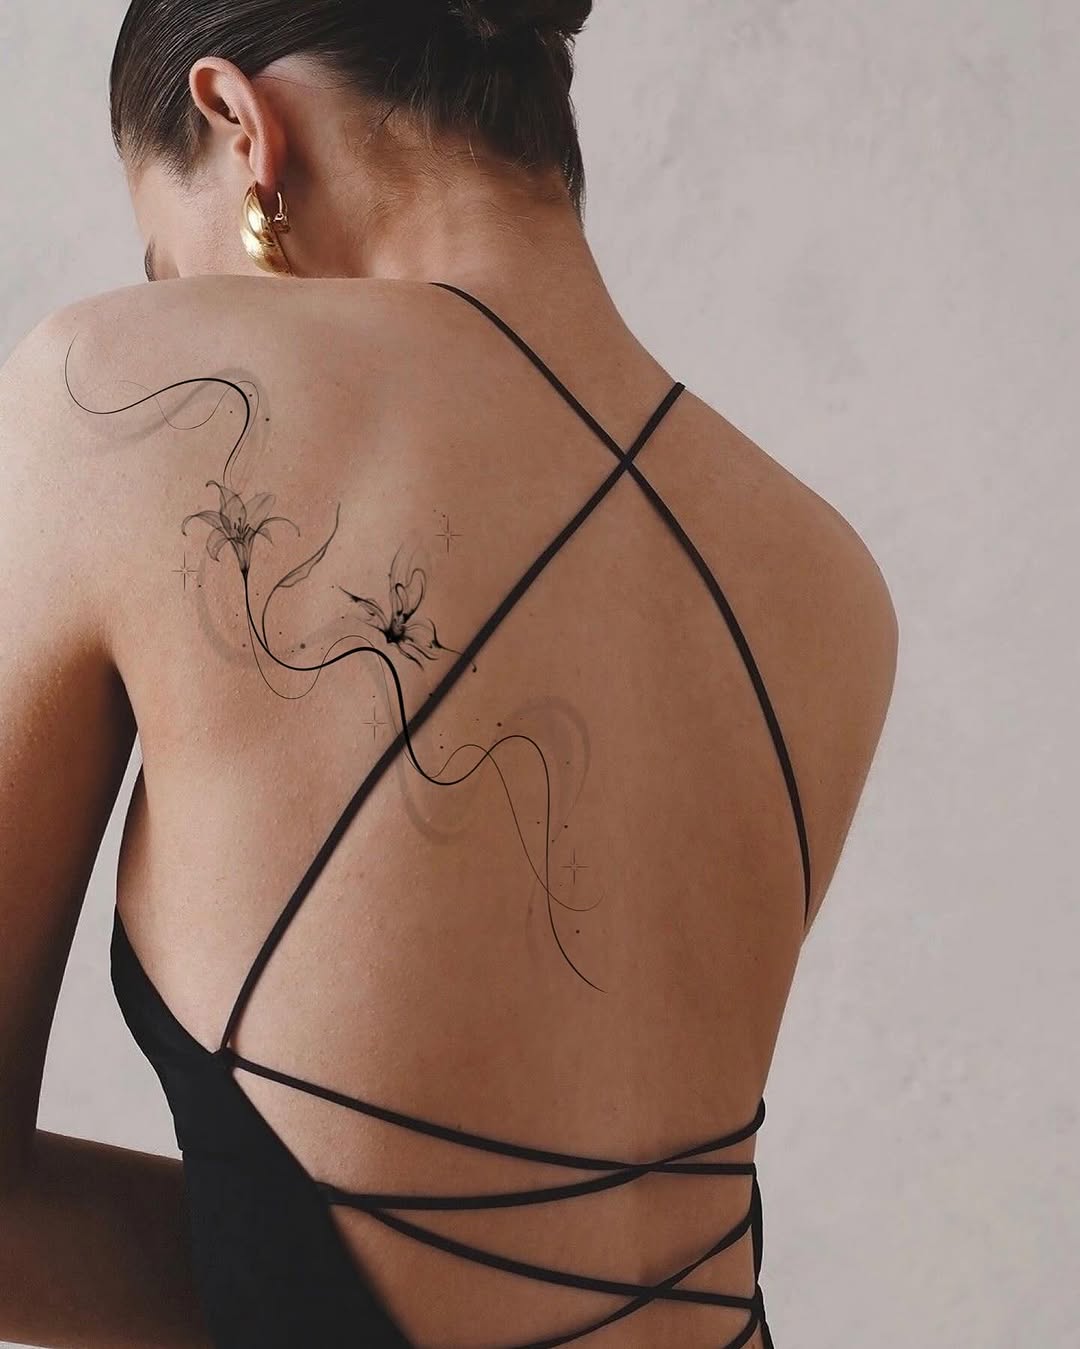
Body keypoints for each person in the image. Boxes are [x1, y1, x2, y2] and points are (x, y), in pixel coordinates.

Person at [0, 2, 898, 1346]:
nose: (171, 298)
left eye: (162, 260)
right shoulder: (825, 573)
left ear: (242, 124)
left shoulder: (123, 394)